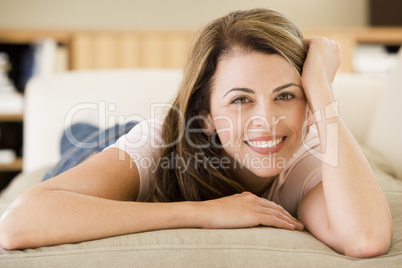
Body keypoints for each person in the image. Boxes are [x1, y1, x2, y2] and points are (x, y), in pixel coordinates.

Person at [0, 8, 393, 257]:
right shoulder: (159, 143)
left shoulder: (305, 151)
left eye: (285, 95)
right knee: (82, 139)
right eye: (241, 99)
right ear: (204, 115)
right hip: (123, 142)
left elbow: (365, 238)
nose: (267, 121)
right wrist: (203, 213)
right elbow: (18, 224)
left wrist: (322, 91)